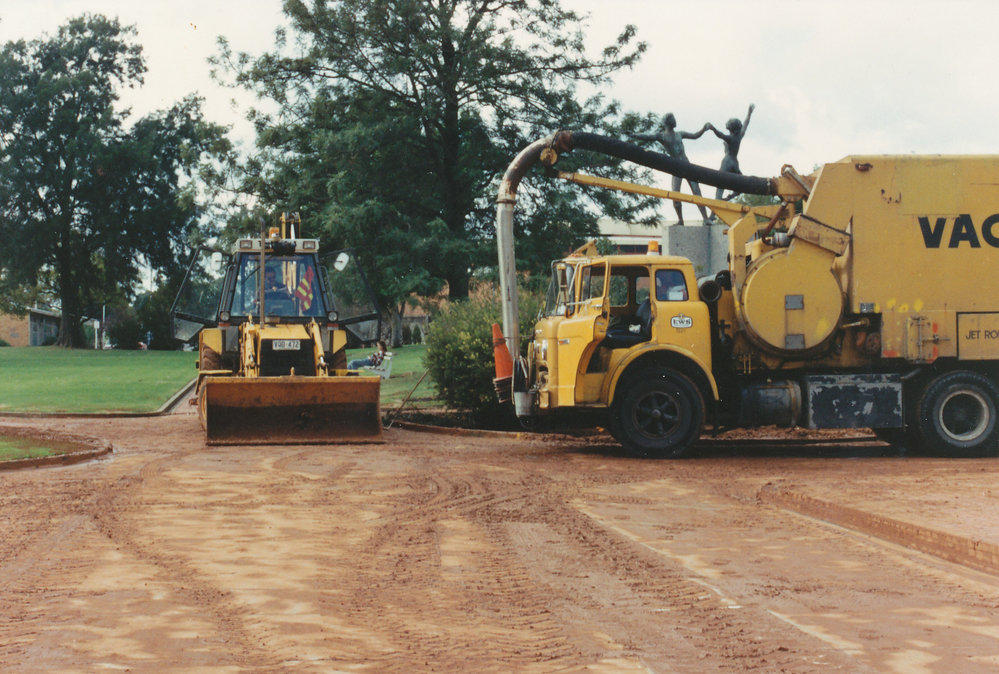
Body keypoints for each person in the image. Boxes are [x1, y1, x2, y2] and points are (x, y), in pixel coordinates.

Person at [629, 113, 711, 226]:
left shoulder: (679, 134)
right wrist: (634, 135)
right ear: (668, 122)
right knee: (675, 195)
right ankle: (680, 220)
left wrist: (704, 129)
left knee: (697, 192)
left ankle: (705, 218)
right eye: (673, 119)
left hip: (687, 166)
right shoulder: (662, 136)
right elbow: (648, 136)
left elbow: (695, 135)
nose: (676, 121)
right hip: (676, 168)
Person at [706, 103, 754, 200]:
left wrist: (713, 128)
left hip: (727, 162)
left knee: (720, 186)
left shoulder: (730, 138)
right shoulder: (739, 136)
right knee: (742, 184)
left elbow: (720, 135)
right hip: (735, 163)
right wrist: (749, 113)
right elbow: (746, 124)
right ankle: (729, 198)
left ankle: (718, 203)